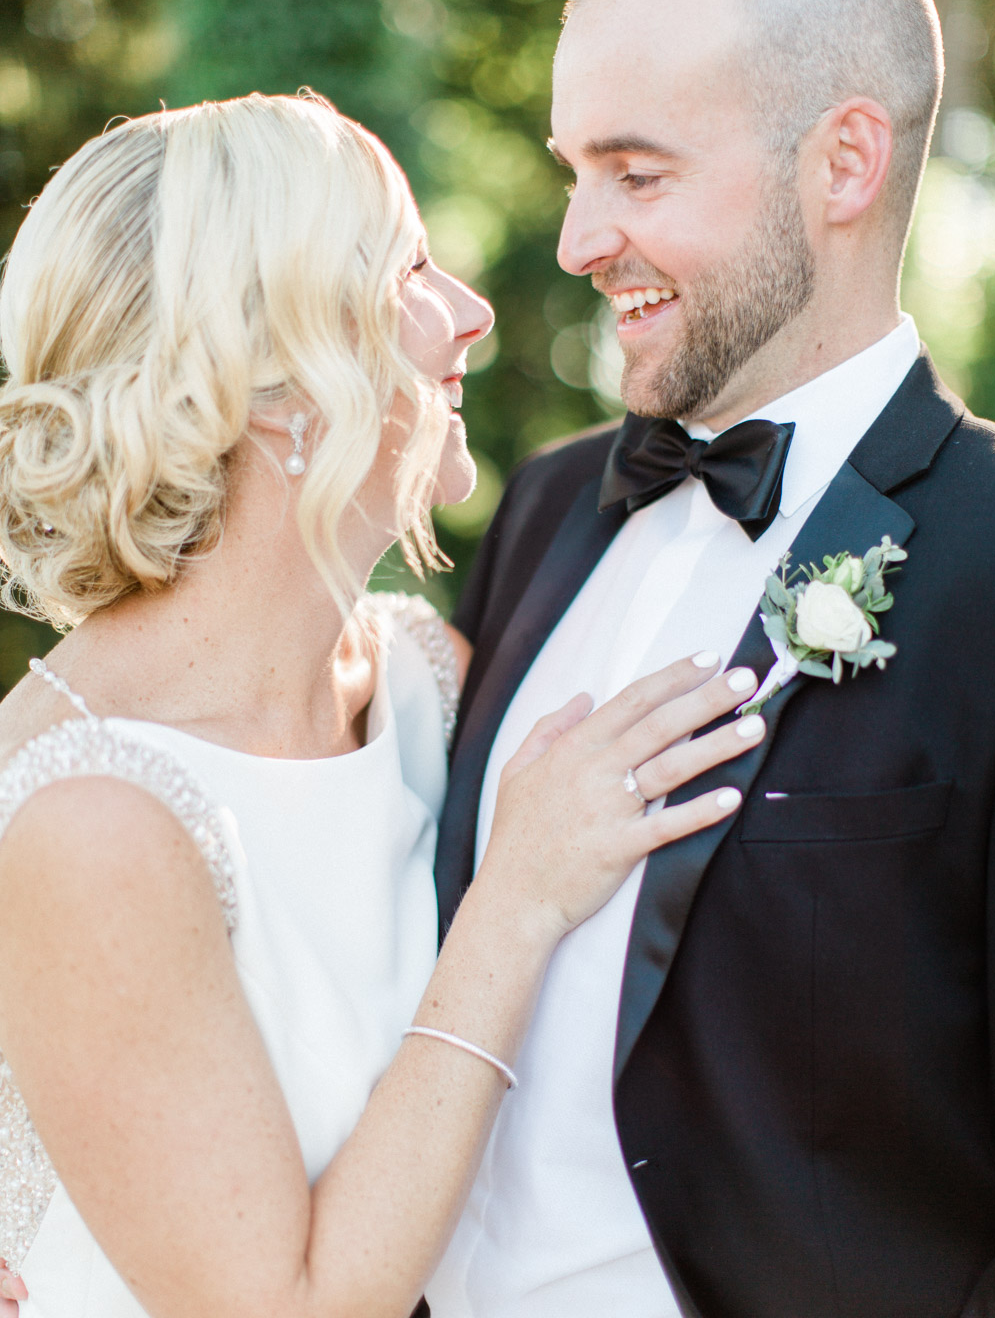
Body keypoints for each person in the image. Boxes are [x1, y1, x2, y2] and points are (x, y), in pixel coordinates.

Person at [0, 91, 765, 1318]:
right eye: (409, 266)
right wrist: (514, 900)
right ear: (271, 387)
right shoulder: (91, 814)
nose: (471, 311)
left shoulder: (420, 679)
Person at [426, 0, 995, 1315]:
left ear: (841, 162)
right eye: (571, 174)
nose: (581, 240)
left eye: (635, 172)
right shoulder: (541, 510)